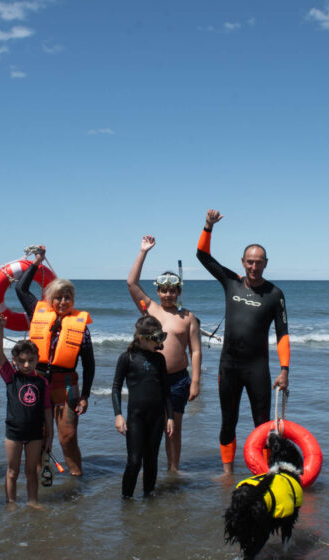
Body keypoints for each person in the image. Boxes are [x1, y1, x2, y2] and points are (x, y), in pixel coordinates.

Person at [196, 209, 290, 476]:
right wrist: (208, 227)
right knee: (228, 422)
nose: (254, 267)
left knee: (262, 424)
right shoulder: (231, 283)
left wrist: (285, 370)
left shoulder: (274, 294)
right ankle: (227, 474)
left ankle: (264, 474)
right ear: (242, 262)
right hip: (229, 367)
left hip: (257, 368)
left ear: (266, 263)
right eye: (250, 262)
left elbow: (283, 334)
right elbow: (202, 256)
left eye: (258, 263)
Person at [15, 247, 94, 477]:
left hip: (67, 385)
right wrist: (37, 261)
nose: (63, 301)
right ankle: (39, 483)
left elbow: (89, 365)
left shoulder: (82, 328)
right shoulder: (36, 311)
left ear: (73, 300)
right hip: (38, 383)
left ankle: (77, 482)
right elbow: (20, 288)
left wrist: (85, 395)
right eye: (58, 297)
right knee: (38, 436)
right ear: (50, 299)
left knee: (68, 437)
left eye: (67, 297)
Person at [127, 235, 202, 472]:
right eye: (164, 291)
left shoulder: (187, 317)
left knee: (173, 429)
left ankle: (173, 470)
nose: (168, 295)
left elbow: (196, 351)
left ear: (179, 292)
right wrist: (143, 252)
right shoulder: (150, 309)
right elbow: (131, 283)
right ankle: (148, 469)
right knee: (151, 425)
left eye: (172, 291)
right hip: (151, 378)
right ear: (158, 292)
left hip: (178, 380)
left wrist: (195, 382)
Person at [0, 302, 53, 506]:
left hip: (35, 434)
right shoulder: (11, 377)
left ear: (37, 359)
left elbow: (47, 410)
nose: (26, 364)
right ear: (14, 361)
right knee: (12, 472)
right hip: (13, 433)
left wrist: (50, 436)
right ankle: (11, 503)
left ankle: (33, 502)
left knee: (31, 472)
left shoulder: (42, 382)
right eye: (22, 361)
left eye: (31, 360)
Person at [112, 316, 175, 497]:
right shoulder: (127, 358)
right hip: (136, 418)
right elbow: (116, 387)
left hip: (157, 417)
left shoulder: (159, 359)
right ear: (142, 338)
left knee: (151, 460)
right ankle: (126, 500)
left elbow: (166, 390)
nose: (159, 343)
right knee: (134, 461)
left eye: (161, 337)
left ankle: (149, 497)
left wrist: (170, 416)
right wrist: (118, 415)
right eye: (156, 338)